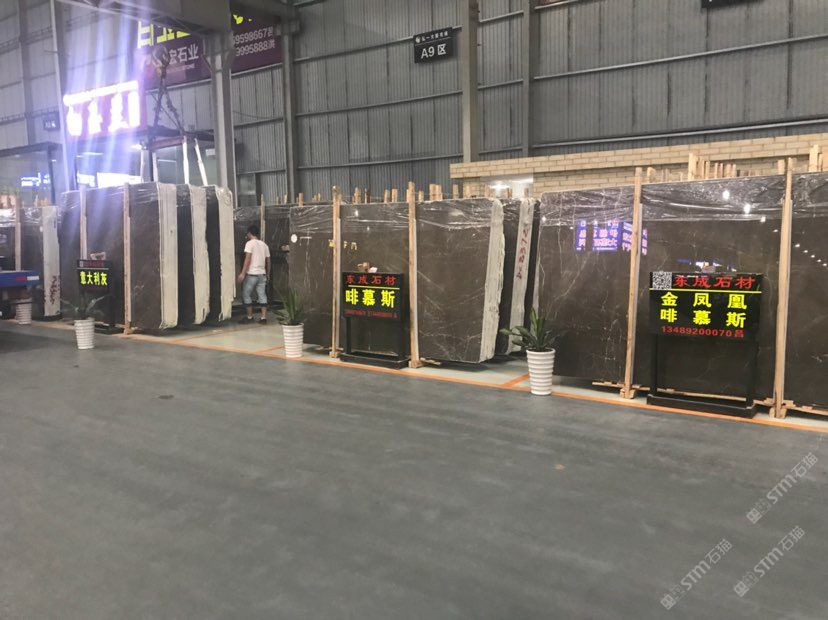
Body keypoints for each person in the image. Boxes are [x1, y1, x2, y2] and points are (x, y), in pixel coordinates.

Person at [237, 225, 271, 323]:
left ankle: (250, 317)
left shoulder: (249, 243)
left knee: (246, 294)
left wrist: (243, 273)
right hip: (262, 275)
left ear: (249, 233)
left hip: (252, 274)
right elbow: (268, 261)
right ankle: (263, 318)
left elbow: (247, 259)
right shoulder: (264, 245)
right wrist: (268, 274)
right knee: (262, 295)